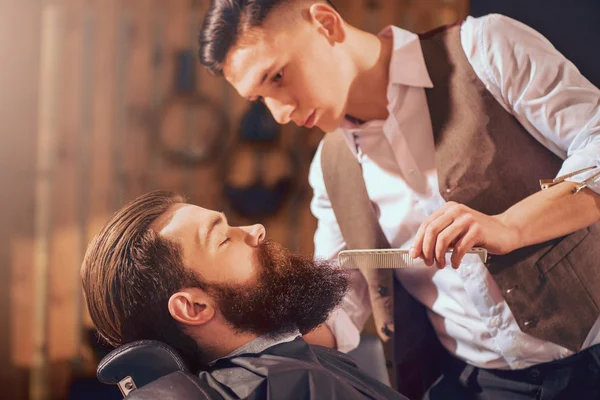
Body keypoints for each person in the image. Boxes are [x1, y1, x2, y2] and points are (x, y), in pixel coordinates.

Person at [198, 1, 600, 399]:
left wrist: (511, 226)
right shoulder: (330, 168)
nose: (280, 113)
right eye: (261, 98)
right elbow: (340, 306)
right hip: (477, 386)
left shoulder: (486, 47)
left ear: (325, 23)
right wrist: (235, 337)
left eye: (279, 76)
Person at [81, 190, 408, 400]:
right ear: (194, 307)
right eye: (222, 238)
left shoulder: (287, 371)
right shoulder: (289, 386)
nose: (255, 230)